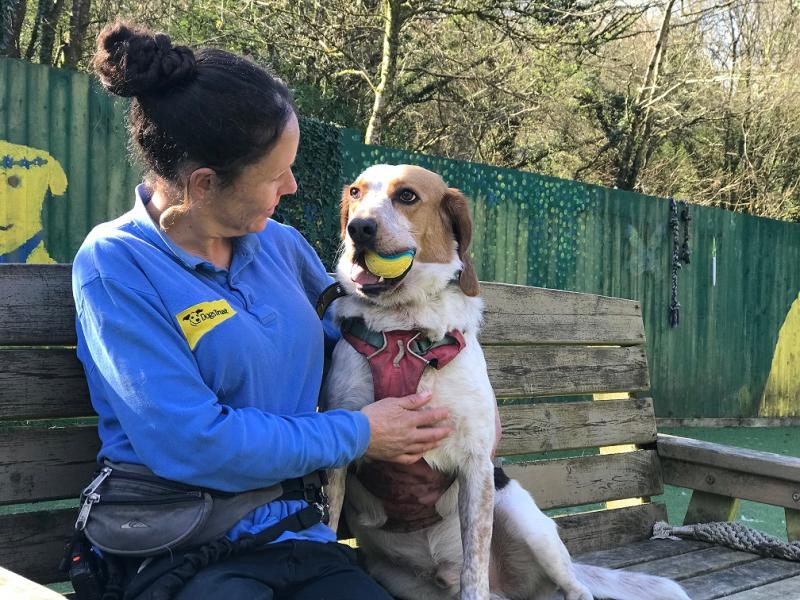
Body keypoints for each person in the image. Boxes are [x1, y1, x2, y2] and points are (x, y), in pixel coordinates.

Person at [72, 20, 456, 600]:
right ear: (203, 183)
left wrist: (461, 397)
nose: (294, 186)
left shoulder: (280, 246)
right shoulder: (116, 265)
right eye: (276, 174)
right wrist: (357, 434)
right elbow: (194, 442)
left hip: (295, 537)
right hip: (182, 545)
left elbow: (363, 346)